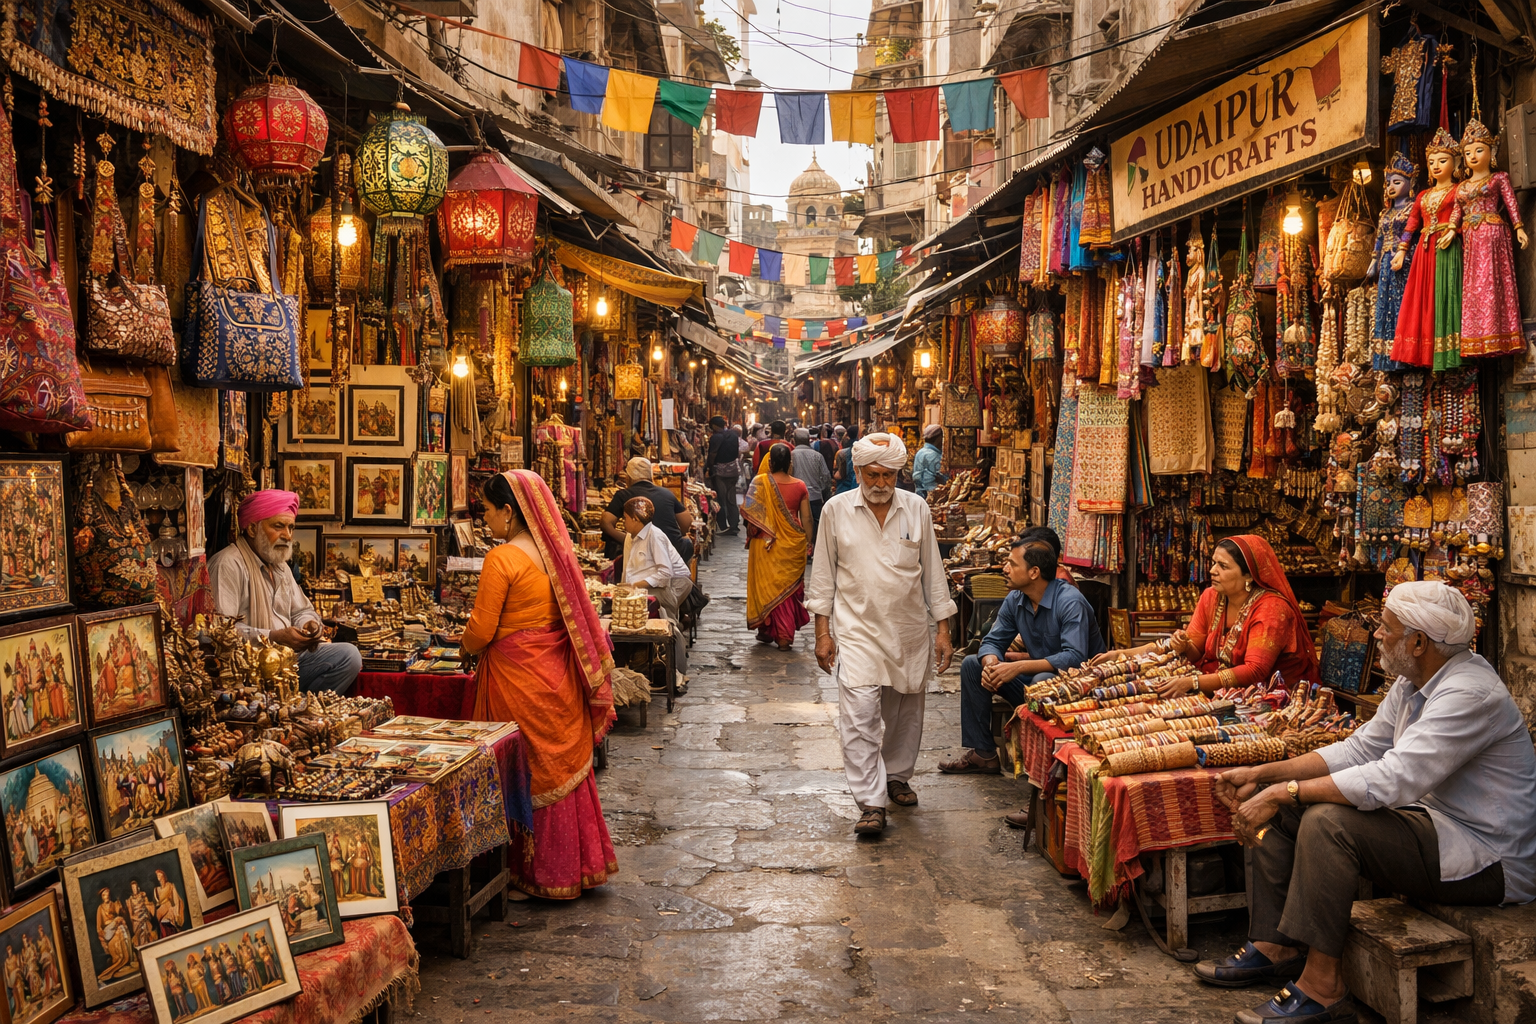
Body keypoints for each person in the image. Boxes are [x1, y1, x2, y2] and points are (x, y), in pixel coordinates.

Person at [1200, 582, 1536, 1024]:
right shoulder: (1414, 681)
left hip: (1486, 857)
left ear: (1418, 642)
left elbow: (1393, 778)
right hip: (1433, 826)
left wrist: (1284, 791)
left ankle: (1323, 986)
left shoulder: (1469, 694)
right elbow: (1359, 750)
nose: (1376, 634)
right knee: (1293, 808)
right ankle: (1273, 943)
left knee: (1327, 822)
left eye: (1387, 628)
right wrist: (1265, 775)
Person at [464, 470, 618, 899]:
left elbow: (481, 629)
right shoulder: (555, 555)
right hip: (555, 676)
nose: (485, 521)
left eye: (488, 512)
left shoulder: (502, 559)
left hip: (516, 678)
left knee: (523, 769)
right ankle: (570, 868)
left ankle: (531, 873)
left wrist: (463, 644)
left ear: (509, 512)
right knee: (556, 769)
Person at [808, 433, 956, 836]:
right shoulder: (836, 511)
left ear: (898, 473)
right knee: (859, 716)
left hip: (908, 631)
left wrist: (943, 629)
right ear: (857, 472)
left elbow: (933, 573)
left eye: (888, 475)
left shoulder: (917, 509)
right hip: (856, 631)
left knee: (904, 713)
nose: (880, 483)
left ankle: (896, 775)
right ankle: (871, 803)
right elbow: (822, 576)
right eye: (872, 474)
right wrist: (823, 633)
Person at [939, 540, 1105, 776]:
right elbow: (993, 642)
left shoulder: (1070, 601)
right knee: (972, 665)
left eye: (1012, 564)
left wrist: (1017, 667)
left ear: (1034, 572)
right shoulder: (1016, 599)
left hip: (1078, 692)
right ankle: (983, 754)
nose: (1005, 569)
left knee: (1043, 678)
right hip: (1036, 686)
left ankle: (1038, 774)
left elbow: (1074, 658)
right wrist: (991, 665)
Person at [1096, 535, 1319, 697]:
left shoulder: (1272, 610)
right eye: (1214, 563)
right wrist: (1122, 655)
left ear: (1249, 575)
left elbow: (1255, 670)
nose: (1212, 570)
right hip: (1221, 691)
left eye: (1223, 566)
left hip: (1273, 699)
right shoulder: (1212, 597)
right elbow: (1195, 651)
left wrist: (1192, 682)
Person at [208, 490, 360, 694]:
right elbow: (220, 633)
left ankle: (301, 712)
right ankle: (286, 709)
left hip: (287, 656)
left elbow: (301, 611)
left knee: (349, 656)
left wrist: (309, 625)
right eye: (278, 526)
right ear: (253, 529)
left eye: (291, 527)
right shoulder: (228, 564)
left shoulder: (280, 566)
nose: (287, 536)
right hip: (250, 666)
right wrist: (273, 637)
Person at [744, 443, 812, 650]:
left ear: (770, 463)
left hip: (764, 542)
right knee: (787, 589)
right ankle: (783, 636)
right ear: (790, 463)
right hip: (792, 542)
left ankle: (766, 629)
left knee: (765, 586)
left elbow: (750, 514)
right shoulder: (800, 486)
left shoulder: (759, 482)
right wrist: (808, 542)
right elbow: (807, 517)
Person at [620, 495, 693, 675]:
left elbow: (665, 574)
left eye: (625, 518)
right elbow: (628, 569)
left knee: (665, 626)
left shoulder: (655, 536)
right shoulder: (631, 537)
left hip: (669, 585)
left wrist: (635, 586)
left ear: (635, 518)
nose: (623, 522)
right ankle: (640, 659)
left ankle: (669, 665)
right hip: (647, 586)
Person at [600, 458, 693, 563]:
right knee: (686, 540)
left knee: (609, 538)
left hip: (642, 552)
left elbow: (605, 523)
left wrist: (628, 541)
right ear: (650, 476)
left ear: (629, 477)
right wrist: (678, 533)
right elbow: (687, 522)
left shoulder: (623, 495)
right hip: (671, 550)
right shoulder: (667, 493)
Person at [789, 427, 833, 535]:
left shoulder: (791, 455)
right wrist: (821, 490)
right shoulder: (817, 456)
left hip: (796, 498)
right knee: (816, 529)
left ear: (794, 440)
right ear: (808, 439)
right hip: (815, 497)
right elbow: (826, 476)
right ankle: (813, 548)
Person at [706, 416, 741, 536]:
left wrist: (709, 468)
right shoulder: (734, 435)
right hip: (733, 470)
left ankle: (723, 526)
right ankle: (734, 524)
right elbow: (737, 452)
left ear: (715, 426)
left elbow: (712, 454)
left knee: (721, 498)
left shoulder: (716, 437)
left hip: (720, 471)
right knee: (731, 498)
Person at [912, 424, 946, 498]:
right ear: (939, 438)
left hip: (919, 493)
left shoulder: (920, 452)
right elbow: (935, 480)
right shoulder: (933, 456)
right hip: (930, 495)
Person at [831, 427, 859, 496]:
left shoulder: (842, 453)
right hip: (856, 490)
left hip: (844, 490)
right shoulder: (861, 451)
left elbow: (840, 474)